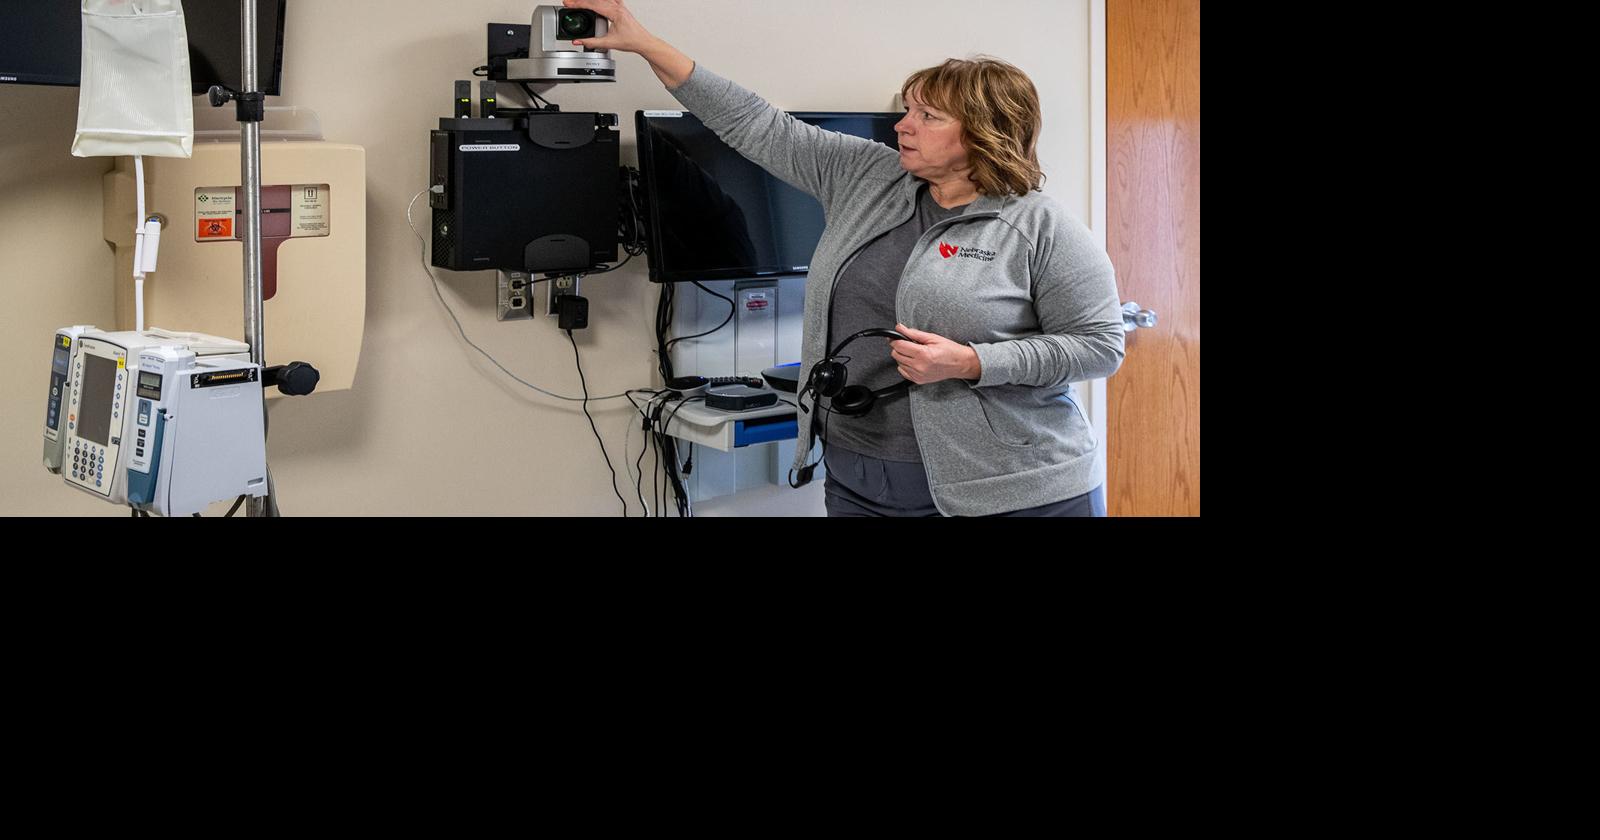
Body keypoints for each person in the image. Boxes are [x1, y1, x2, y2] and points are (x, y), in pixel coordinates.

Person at [563, 0, 1125, 517]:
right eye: (909, 110)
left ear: (986, 133)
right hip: (857, 476)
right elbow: (754, 123)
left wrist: (974, 362)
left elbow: (1099, 345)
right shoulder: (867, 175)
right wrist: (645, 44)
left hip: (1009, 489)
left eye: (928, 117)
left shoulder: (1041, 227)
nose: (904, 125)